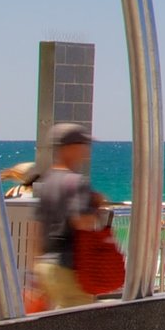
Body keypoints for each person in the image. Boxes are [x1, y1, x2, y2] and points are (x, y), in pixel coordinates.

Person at [32, 125, 106, 308]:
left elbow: (37, 227)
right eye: (84, 143)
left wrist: (34, 268)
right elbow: (81, 221)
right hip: (69, 267)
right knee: (76, 328)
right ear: (70, 146)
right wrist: (96, 207)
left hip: (47, 266)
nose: (87, 148)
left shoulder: (47, 180)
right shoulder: (77, 182)